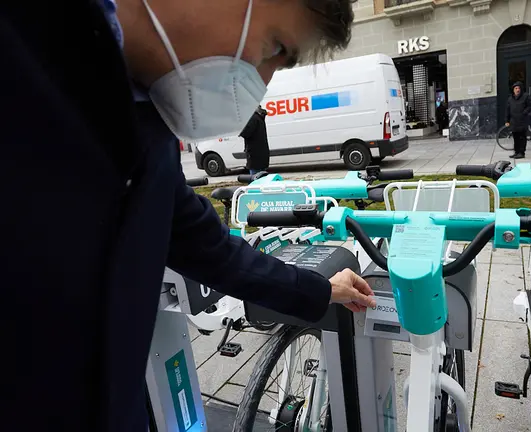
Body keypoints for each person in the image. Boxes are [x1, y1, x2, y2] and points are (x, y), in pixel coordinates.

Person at [2, 1, 373, 431]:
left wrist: (319, 289)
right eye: (274, 46)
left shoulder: (149, 126)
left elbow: (212, 252)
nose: (262, 83)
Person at [241, 105, 270, 174]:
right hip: (261, 153)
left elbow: (246, 133)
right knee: (262, 176)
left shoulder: (252, 118)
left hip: (254, 154)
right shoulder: (259, 118)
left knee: (255, 177)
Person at [504, 81, 529, 159]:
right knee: (515, 138)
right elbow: (507, 110)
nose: (517, 90)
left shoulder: (526, 96)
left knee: (522, 137)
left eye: (519, 88)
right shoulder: (510, 99)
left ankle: (521, 153)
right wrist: (507, 120)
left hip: (522, 120)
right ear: (513, 90)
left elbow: (530, 106)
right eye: (516, 88)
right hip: (514, 121)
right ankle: (516, 152)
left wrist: (524, 112)